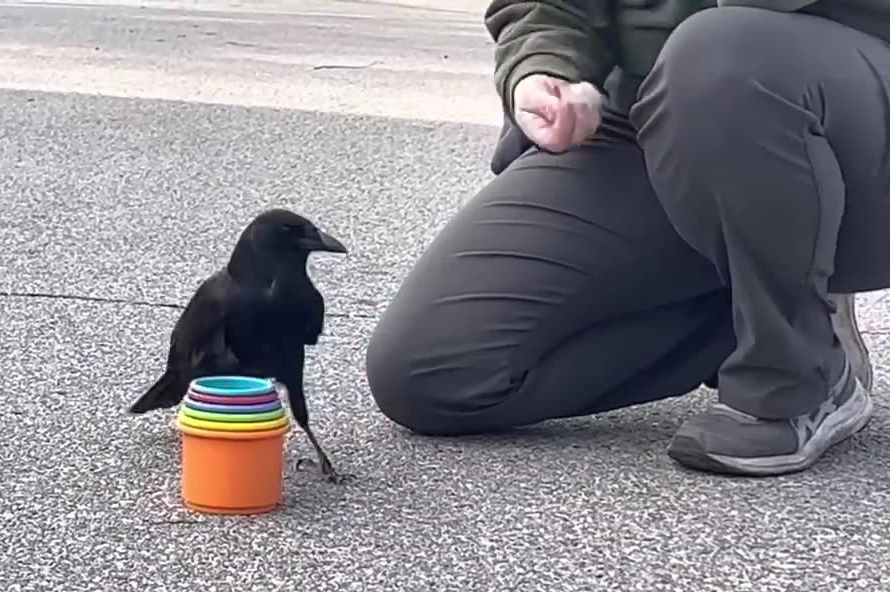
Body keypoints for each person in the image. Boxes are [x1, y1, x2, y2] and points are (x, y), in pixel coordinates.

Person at [365, 0, 890, 476]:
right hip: (653, 113)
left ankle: (795, 374)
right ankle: (769, 306)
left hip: (849, 114)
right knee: (432, 371)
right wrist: (543, 68)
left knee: (722, 55)